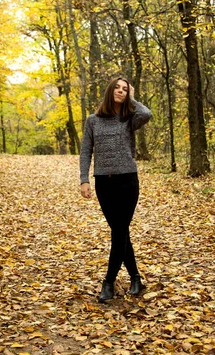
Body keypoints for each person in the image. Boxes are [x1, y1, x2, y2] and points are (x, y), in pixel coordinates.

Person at [79, 77, 152, 302]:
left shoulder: (129, 118)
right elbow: (85, 151)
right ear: (110, 91)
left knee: (119, 231)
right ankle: (136, 279)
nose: (120, 92)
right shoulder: (93, 121)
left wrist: (132, 95)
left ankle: (108, 282)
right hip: (104, 182)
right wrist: (84, 179)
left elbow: (147, 114)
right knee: (120, 231)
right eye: (118, 88)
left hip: (128, 181)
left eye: (125, 89)